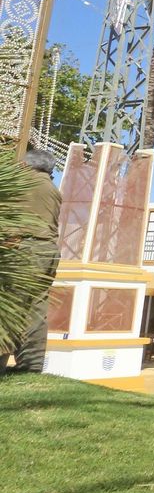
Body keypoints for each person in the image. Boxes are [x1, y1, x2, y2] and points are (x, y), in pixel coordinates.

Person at [1, 149, 61, 374]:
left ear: (26, 166)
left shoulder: (22, 183)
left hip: (22, 249)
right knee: (35, 308)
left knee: (9, 305)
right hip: (47, 250)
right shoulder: (52, 189)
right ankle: (31, 365)